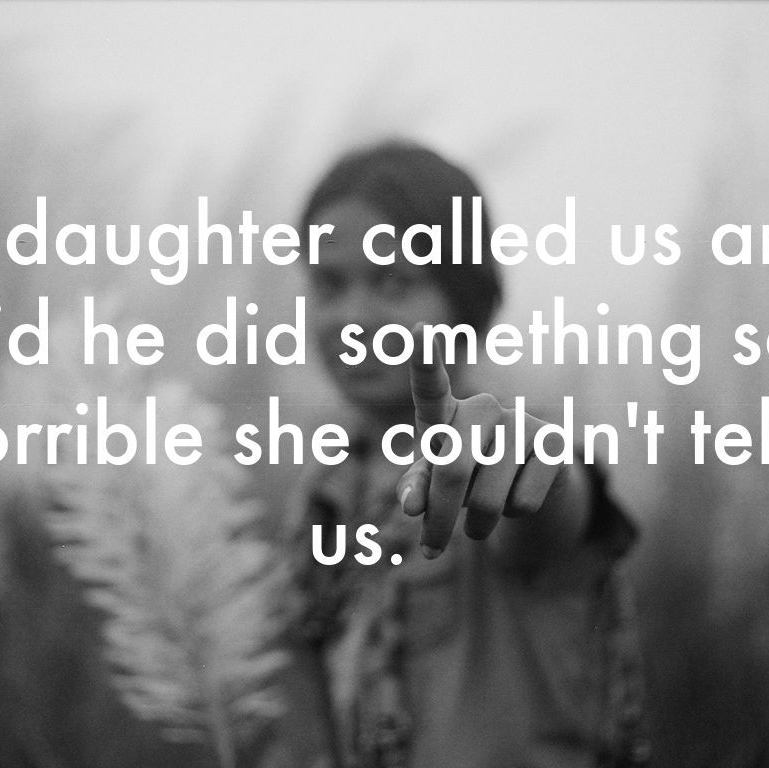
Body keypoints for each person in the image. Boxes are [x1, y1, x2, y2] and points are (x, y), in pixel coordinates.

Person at [269, 141, 647, 768]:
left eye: (395, 282)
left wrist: (538, 473)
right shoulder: (323, 494)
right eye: (329, 285)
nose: (352, 317)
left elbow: (542, 504)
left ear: (466, 301)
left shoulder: (493, 452)